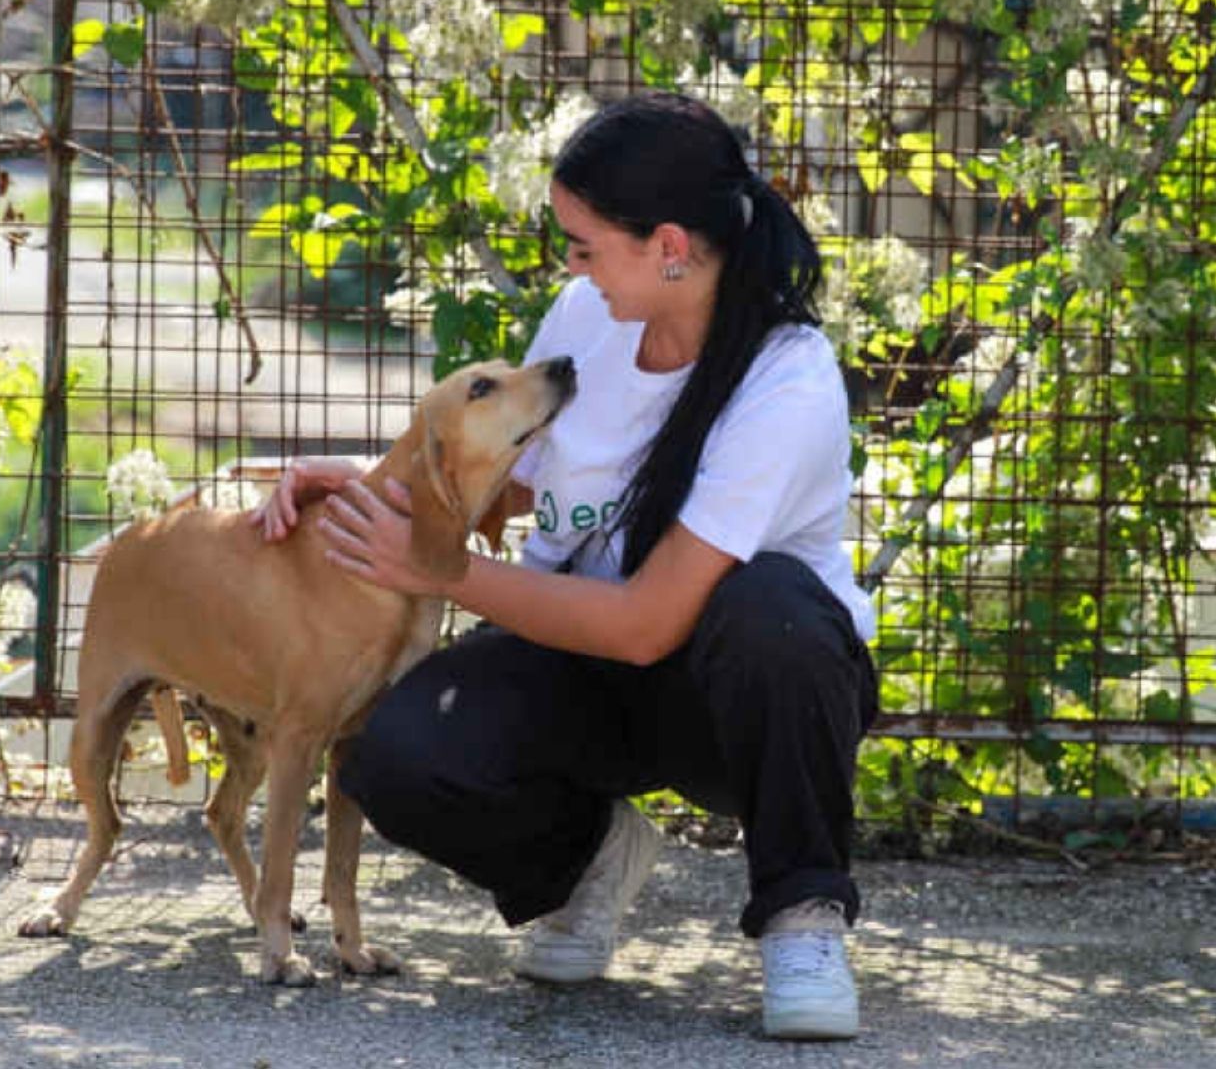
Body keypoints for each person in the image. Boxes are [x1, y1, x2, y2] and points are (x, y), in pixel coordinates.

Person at [250, 91, 878, 1041]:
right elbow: (505, 485)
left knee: (773, 609)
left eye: (585, 245)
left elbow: (646, 624)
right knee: (397, 754)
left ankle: (802, 918)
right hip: (581, 658)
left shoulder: (787, 381)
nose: (570, 267)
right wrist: (374, 489)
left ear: (669, 243)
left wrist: (442, 573)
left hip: (737, 697)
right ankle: (589, 858)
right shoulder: (590, 313)